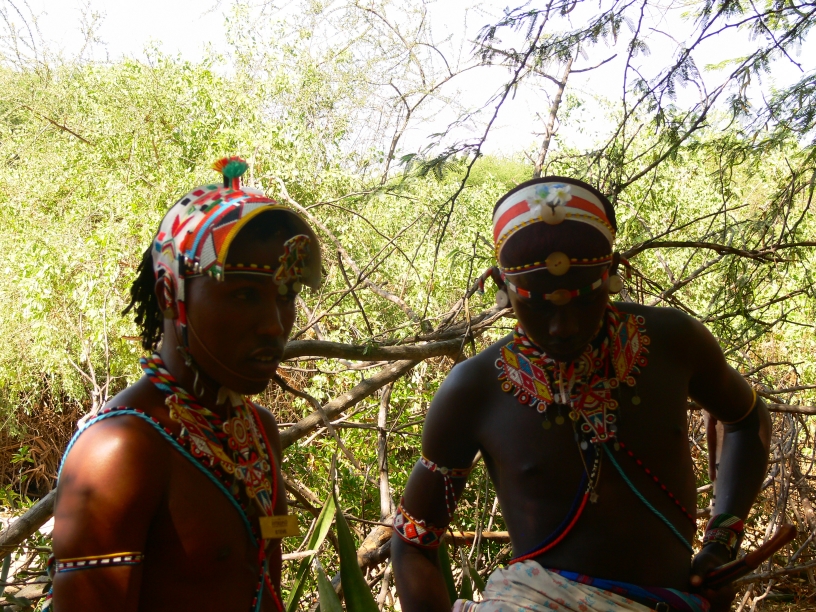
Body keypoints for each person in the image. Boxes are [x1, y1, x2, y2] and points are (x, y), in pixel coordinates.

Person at [391, 177, 771, 612]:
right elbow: (413, 540)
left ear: (612, 274)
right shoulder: (474, 389)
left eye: (584, 301)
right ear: (502, 287)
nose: (563, 327)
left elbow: (746, 419)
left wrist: (722, 541)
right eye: (537, 305)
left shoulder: (674, 341)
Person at [48, 157, 322, 612]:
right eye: (244, 294)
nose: (274, 325)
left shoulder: (258, 431)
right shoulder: (118, 451)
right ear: (168, 296)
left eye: (286, 296)